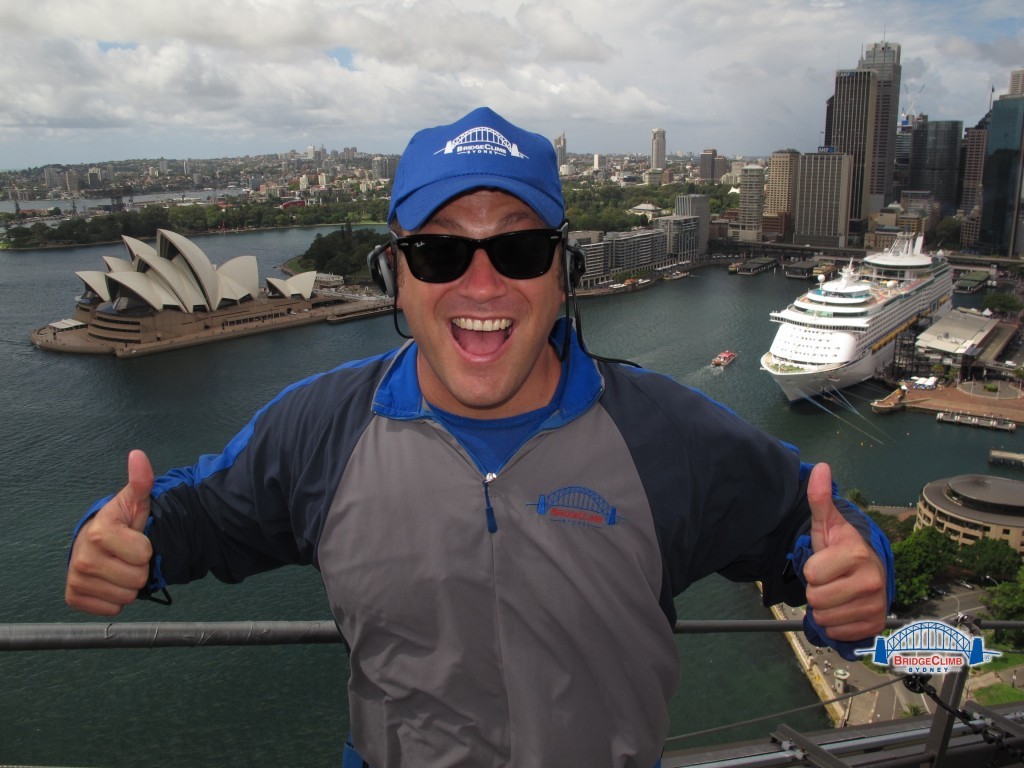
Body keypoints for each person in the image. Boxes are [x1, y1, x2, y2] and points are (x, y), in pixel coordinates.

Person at [66, 106, 893, 768]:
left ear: (563, 272)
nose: (483, 283)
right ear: (396, 270)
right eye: (439, 253)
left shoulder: (663, 433)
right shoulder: (324, 428)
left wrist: (851, 581)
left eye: (520, 247)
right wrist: (124, 545)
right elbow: (199, 514)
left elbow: (806, 528)